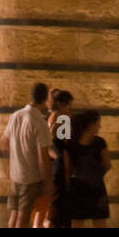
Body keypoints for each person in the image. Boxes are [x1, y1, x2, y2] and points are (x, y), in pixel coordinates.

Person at [0, 82, 52, 228]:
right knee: (24, 216)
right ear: (46, 97)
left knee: (14, 214)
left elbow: (3, 141)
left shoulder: (17, 115)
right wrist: (47, 181)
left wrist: (12, 161)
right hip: (30, 177)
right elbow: (43, 156)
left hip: (15, 175)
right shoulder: (39, 122)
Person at [65, 109, 111, 227]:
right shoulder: (99, 143)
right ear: (90, 125)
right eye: (98, 123)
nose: (100, 126)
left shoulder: (70, 144)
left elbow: (67, 169)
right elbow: (107, 165)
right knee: (99, 222)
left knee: (77, 222)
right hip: (96, 187)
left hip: (77, 187)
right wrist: (97, 173)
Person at [39, 88, 73, 228]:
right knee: (59, 206)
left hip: (56, 164)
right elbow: (62, 142)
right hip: (60, 165)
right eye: (68, 105)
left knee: (56, 205)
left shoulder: (55, 115)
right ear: (61, 104)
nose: (69, 108)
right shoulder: (62, 117)